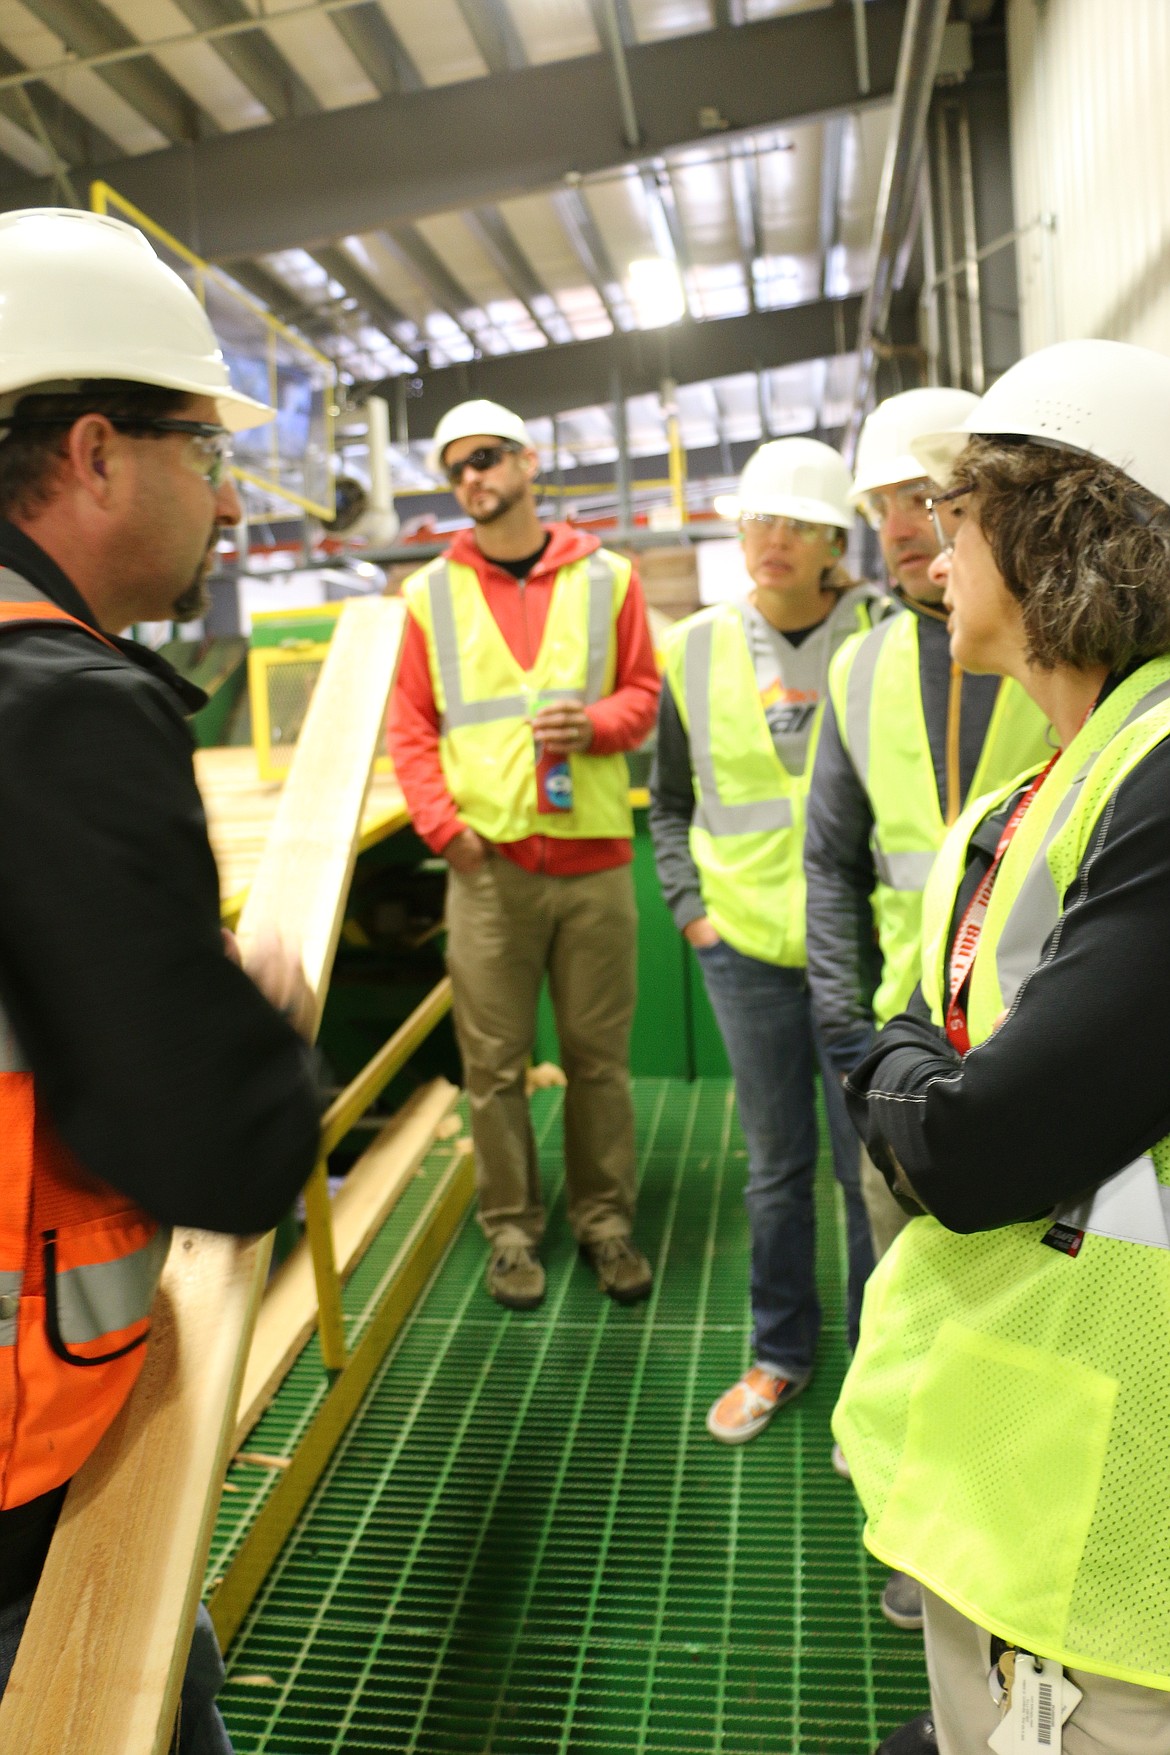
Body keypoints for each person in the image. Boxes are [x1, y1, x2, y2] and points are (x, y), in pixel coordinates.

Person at [0, 209, 321, 1749]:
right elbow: (222, 1145)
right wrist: (252, 1006)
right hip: (20, 1478)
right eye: (203, 444)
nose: (223, 489)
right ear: (94, 449)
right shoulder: (57, 705)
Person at [833, 339, 1170, 1755]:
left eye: (955, 513)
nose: (928, 544)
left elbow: (978, 1139)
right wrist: (905, 1078)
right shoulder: (1048, 783)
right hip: (1020, 1457)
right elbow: (927, 1047)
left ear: (1052, 533)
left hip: (1117, 1516)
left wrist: (886, 1084)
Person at [804, 389, 1052, 1632]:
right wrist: (853, 1030)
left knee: (1018, 1314)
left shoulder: (1059, 654)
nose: (905, 528)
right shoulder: (857, 669)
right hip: (909, 1043)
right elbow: (833, 862)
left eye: (928, 501)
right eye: (885, 505)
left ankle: (992, 1549)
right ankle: (918, 1536)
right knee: (902, 1289)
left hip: (1044, 1049)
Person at [388, 399, 660, 1311]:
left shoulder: (609, 579)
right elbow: (411, 731)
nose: (473, 476)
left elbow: (643, 698)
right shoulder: (428, 594)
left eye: (489, 456)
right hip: (487, 871)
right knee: (492, 1071)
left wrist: (595, 724)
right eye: (457, 466)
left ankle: (605, 1221)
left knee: (598, 1061)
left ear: (529, 460)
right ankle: (510, 1232)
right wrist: (445, 833)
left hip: (592, 866)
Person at [650, 437, 887, 1444]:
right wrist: (691, 914)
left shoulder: (886, 634)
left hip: (866, 955)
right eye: (755, 519)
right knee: (777, 1166)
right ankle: (783, 1352)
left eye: (794, 522)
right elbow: (668, 803)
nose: (770, 538)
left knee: (868, 1174)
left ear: (836, 538)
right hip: (741, 949)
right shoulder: (696, 646)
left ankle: (874, 1385)